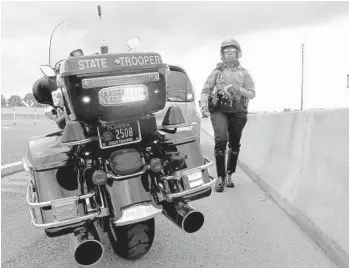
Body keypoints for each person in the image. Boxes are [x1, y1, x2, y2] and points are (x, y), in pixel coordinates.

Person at [200, 38, 255, 192]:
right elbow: (205, 90)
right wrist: (204, 106)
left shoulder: (244, 73)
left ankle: (230, 174)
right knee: (221, 140)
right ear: (222, 54)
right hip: (220, 110)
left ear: (238, 53)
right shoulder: (217, 72)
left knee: (234, 143)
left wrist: (238, 90)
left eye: (232, 51)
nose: (229, 53)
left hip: (238, 111)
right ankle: (220, 177)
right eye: (226, 51)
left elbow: (252, 93)